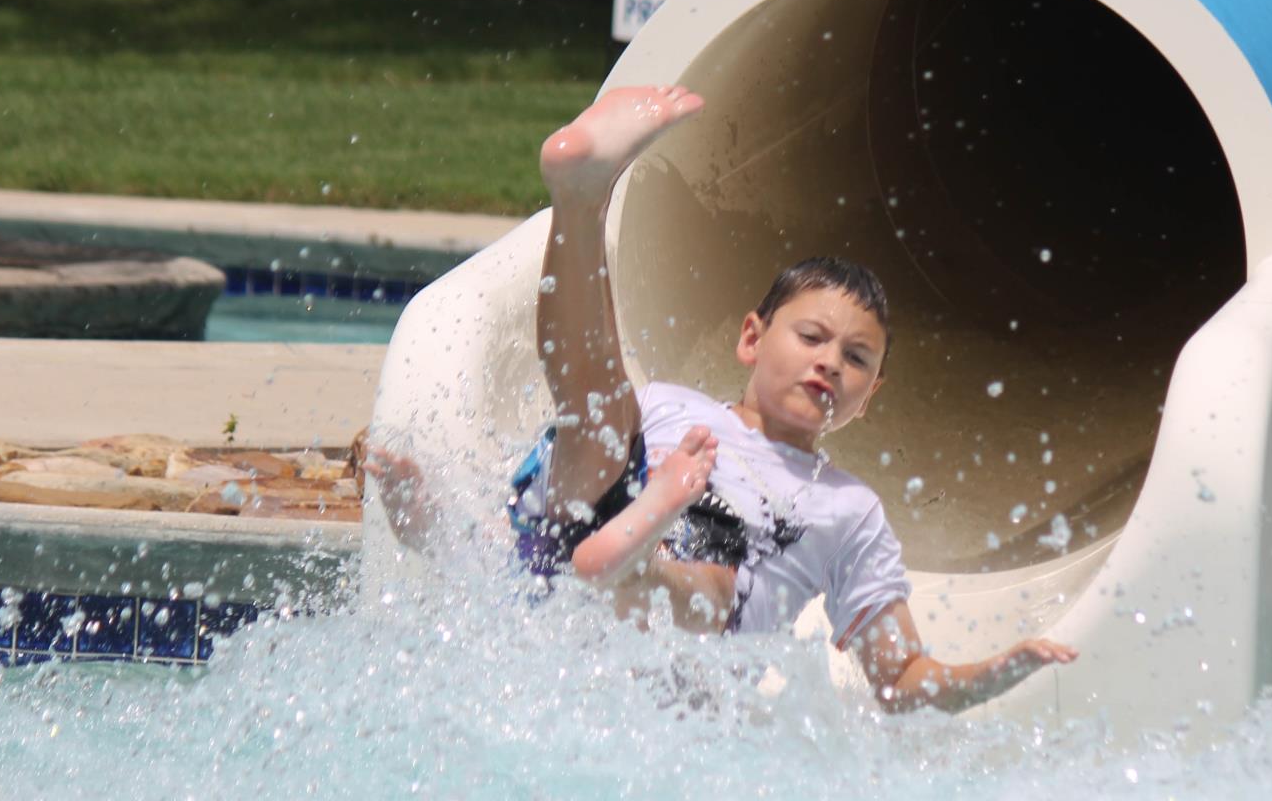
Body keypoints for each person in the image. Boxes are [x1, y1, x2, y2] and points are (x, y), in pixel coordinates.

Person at [373, 85, 1076, 714]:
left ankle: (637, 559)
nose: (831, 362)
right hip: (579, 554)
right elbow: (542, 524)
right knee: (602, 419)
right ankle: (582, 198)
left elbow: (897, 677)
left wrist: (993, 671)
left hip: (677, 656)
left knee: (716, 584)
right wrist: (430, 520)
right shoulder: (674, 411)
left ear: (871, 396)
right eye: (812, 337)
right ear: (751, 338)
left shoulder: (849, 510)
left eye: (857, 359)